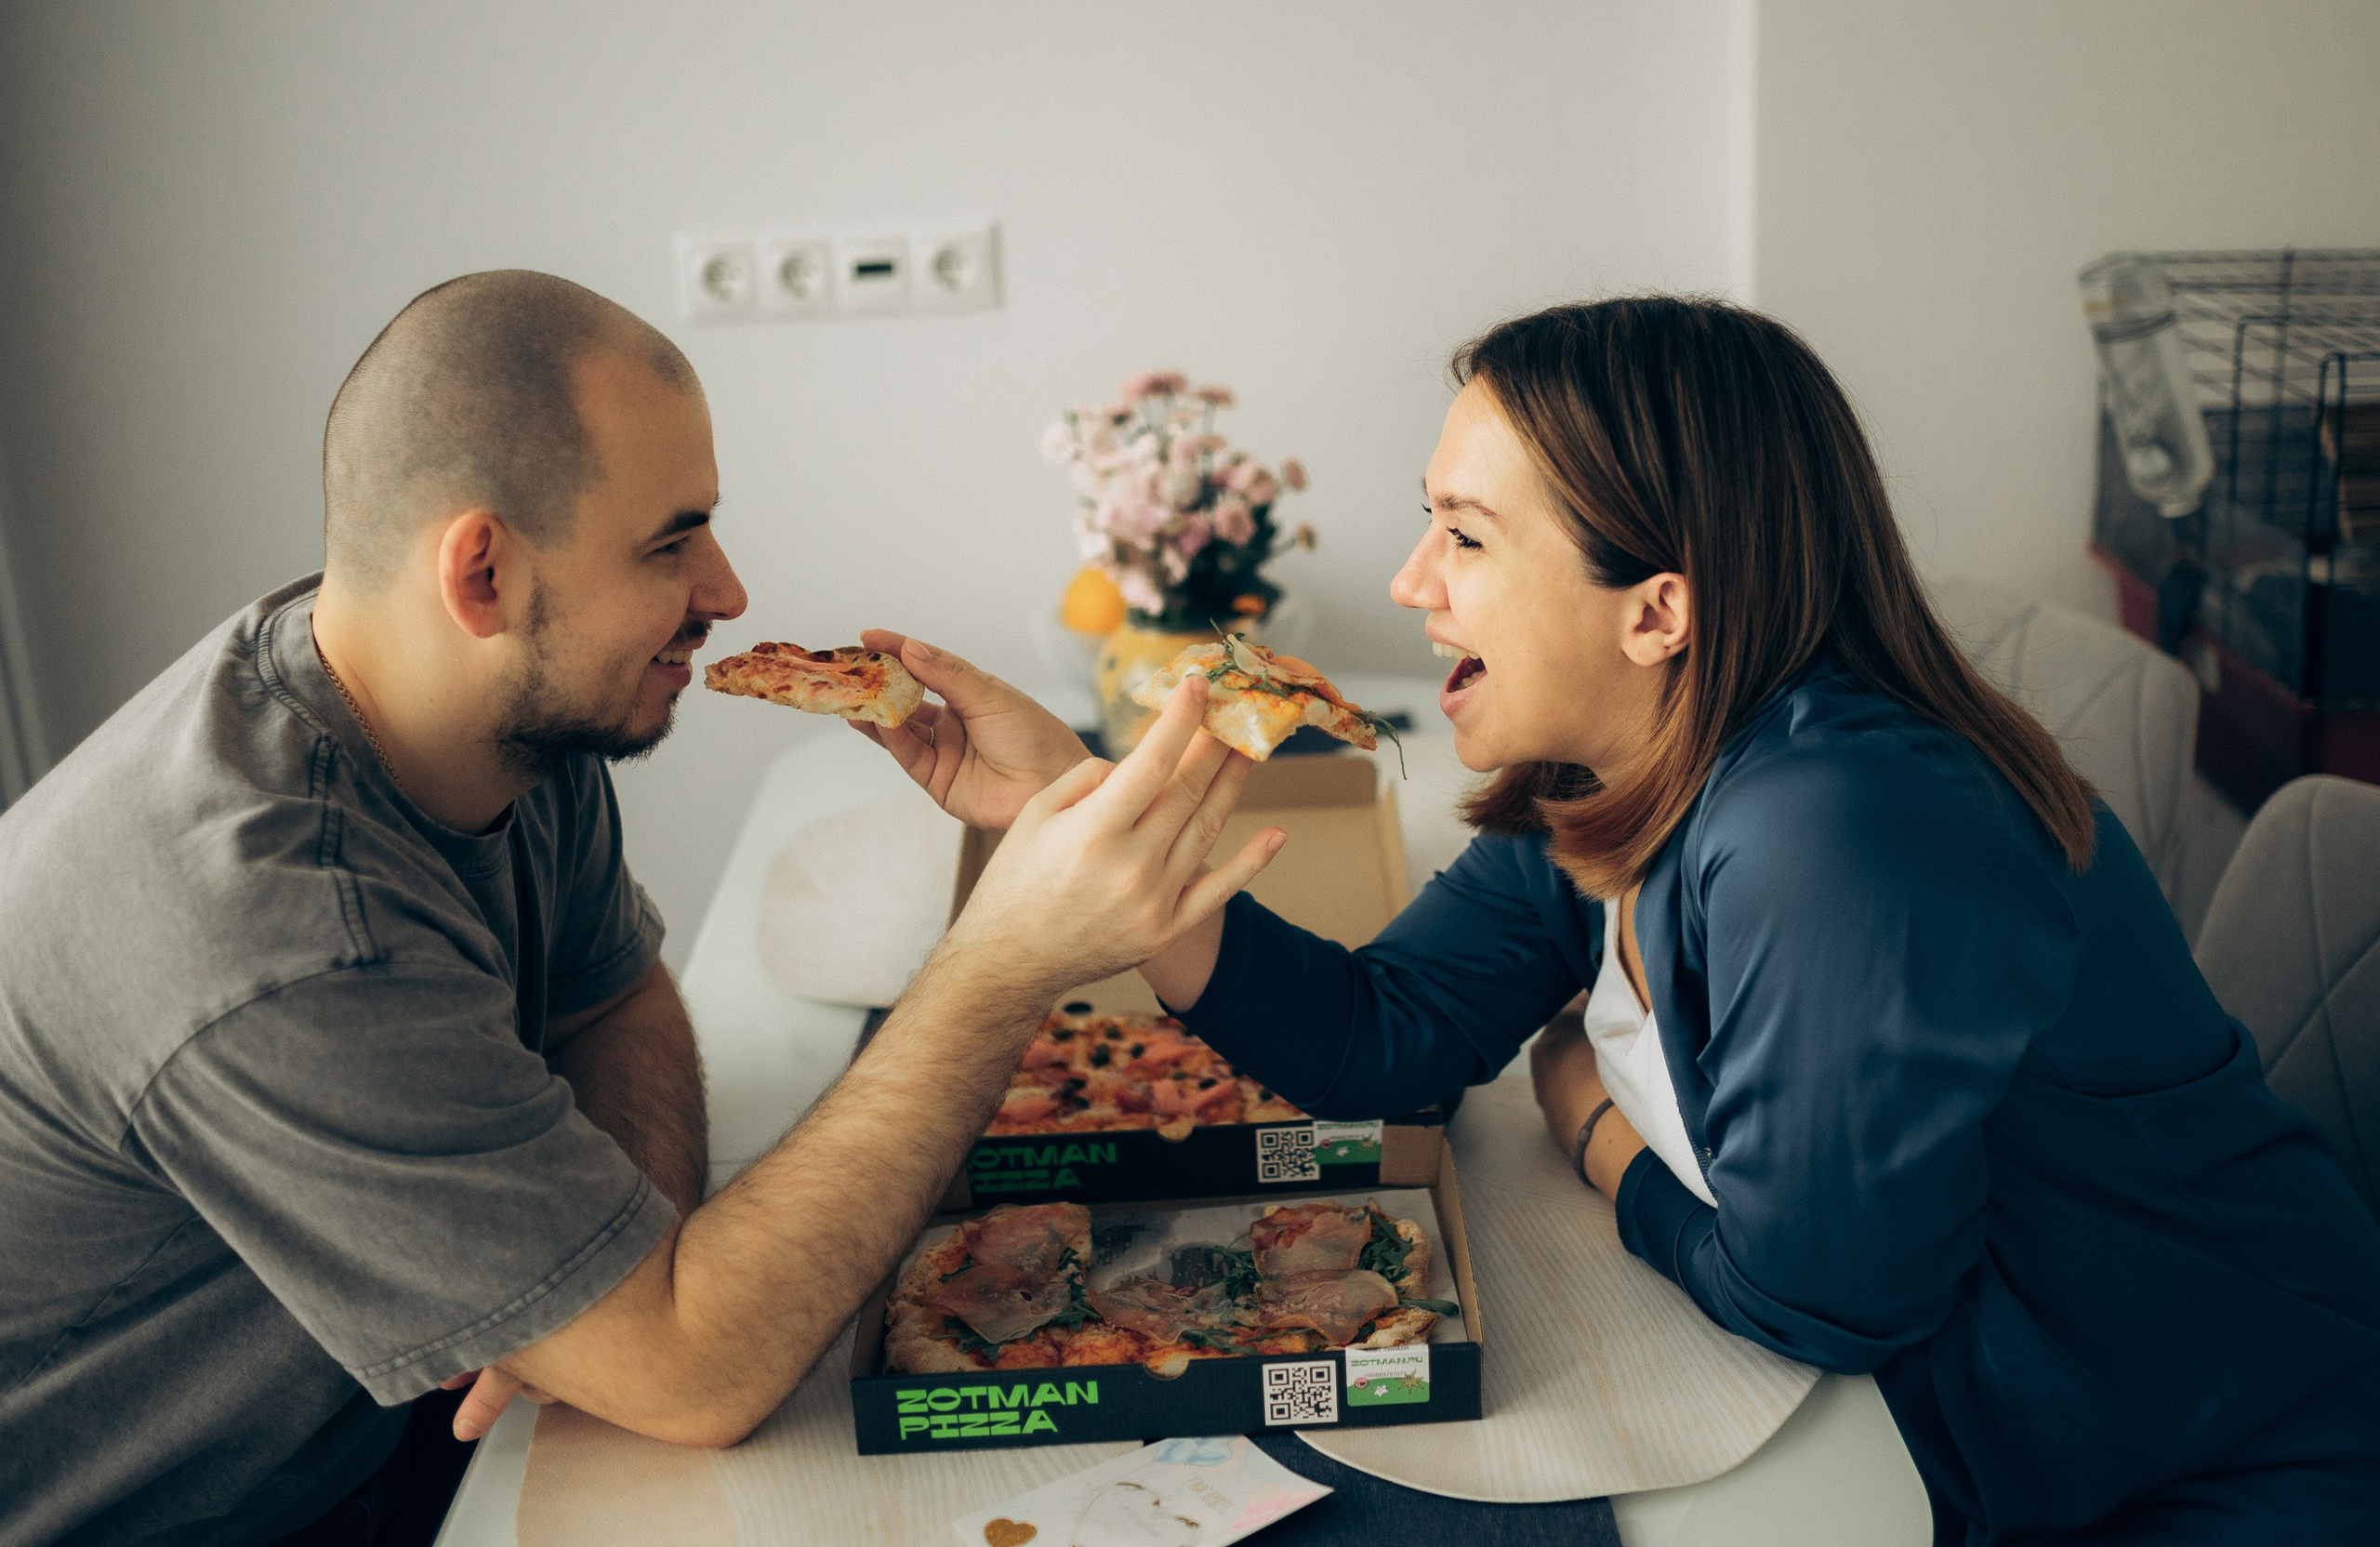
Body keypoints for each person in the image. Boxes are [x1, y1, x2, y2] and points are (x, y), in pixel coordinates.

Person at [864, 298, 2380, 1544]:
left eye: (1466, 535)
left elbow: (1821, 1298)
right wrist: (1084, 814)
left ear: (1659, 609)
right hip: (1973, 1429)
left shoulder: (1837, 830)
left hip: (2198, 1473)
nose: (1409, 583)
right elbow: (1387, 1039)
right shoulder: (1624, 754)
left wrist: (1591, 1128)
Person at [0, 271, 1272, 1547]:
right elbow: (698, 1377)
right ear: (483, 573)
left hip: (400, 1440)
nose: (726, 592)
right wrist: (1000, 962)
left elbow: (612, 998)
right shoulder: (277, 930)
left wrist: (588, 1284)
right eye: (670, 542)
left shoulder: (484, 710)